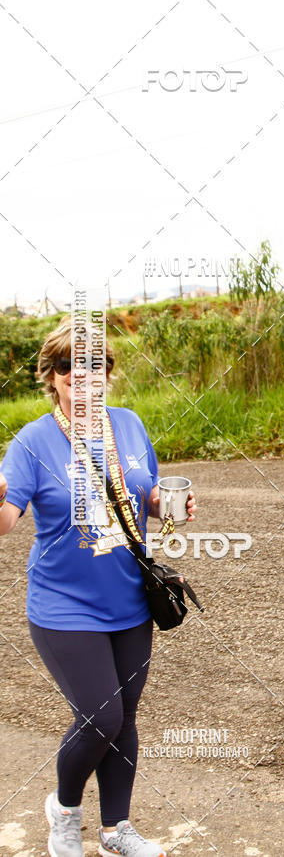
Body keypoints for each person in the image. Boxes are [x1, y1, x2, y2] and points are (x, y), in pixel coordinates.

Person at [0, 314, 196, 857]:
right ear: (52, 375)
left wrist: (168, 505)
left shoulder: (128, 424)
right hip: (64, 606)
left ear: (107, 373)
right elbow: (7, 519)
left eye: (94, 364)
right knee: (101, 717)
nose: (81, 375)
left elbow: (145, 497)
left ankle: (116, 830)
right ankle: (64, 810)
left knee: (124, 719)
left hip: (130, 601)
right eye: (69, 365)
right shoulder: (33, 441)